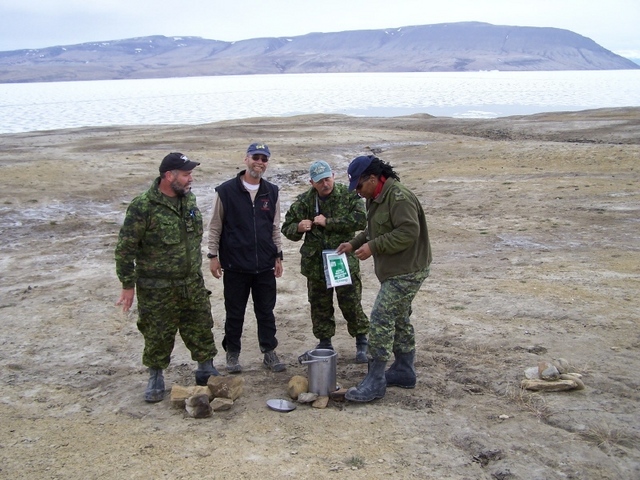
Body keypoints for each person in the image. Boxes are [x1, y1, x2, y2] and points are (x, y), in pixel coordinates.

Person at [115, 152, 220, 403]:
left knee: (200, 326)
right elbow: (125, 249)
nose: (190, 178)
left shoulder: (189, 200)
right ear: (169, 176)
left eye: (190, 174)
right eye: (186, 174)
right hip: (157, 286)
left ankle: (205, 368)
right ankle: (156, 376)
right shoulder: (143, 206)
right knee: (157, 333)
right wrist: (127, 286)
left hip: (191, 282)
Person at [336, 154, 432, 402]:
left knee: (381, 317)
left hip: (408, 271)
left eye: (359, 186)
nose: (358, 192)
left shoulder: (399, 197)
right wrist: (354, 243)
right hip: (395, 271)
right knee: (399, 317)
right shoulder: (376, 198)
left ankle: (376, 380)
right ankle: (404, 370)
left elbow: (409, 232)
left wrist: (374, 247)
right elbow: (373, 228)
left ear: (373, 178)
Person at [207, 142, 286, 373]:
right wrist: (213, 256)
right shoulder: (225, 191)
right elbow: (214, 227)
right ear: (246, 159)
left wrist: (278, 255)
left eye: (264, 159)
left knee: (266, 311)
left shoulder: (272, 191)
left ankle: (269, 352)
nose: (259, 163)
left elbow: (274, 227)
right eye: (255, 157)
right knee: (234, 312)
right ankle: (232, 354)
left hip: (264, 264)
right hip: (235, 265)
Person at [281, 160, 369, 363]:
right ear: (312, 182)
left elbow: (360, 220)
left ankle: (362, 342)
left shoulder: (348, 195)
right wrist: (299, 227)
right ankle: (324, 342)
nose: (325, 184)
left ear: (334, 176)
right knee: (320, 306)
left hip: (342, 260)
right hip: (316, 265)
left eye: (327, 179)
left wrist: (328, 222)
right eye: (320, 181)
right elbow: (287, 228)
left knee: (351, 303)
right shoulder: (304, 201)